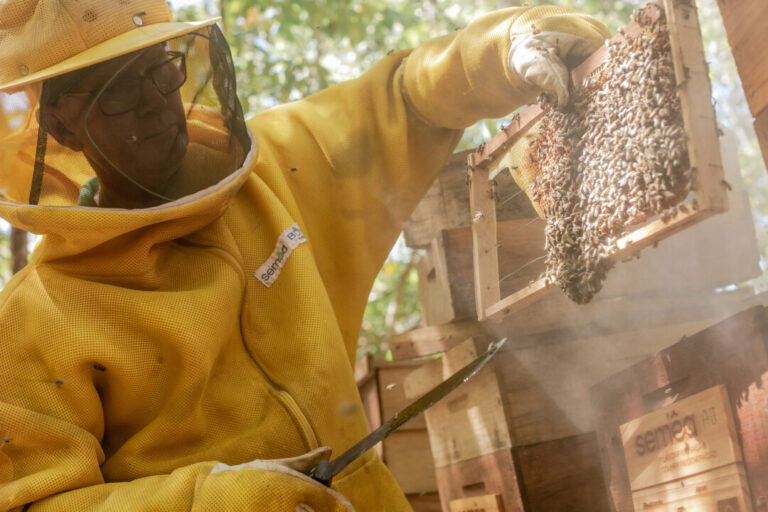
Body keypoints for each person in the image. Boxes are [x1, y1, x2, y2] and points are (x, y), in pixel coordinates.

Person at [0, 0, 609, 510]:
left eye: (160, 71)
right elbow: (37, 502)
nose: (156, 103)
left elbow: (403, 98)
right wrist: (221, 500)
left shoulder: (274, 168)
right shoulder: (39, 317)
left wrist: (504, 49)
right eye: (116, 91)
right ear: (61, 125)